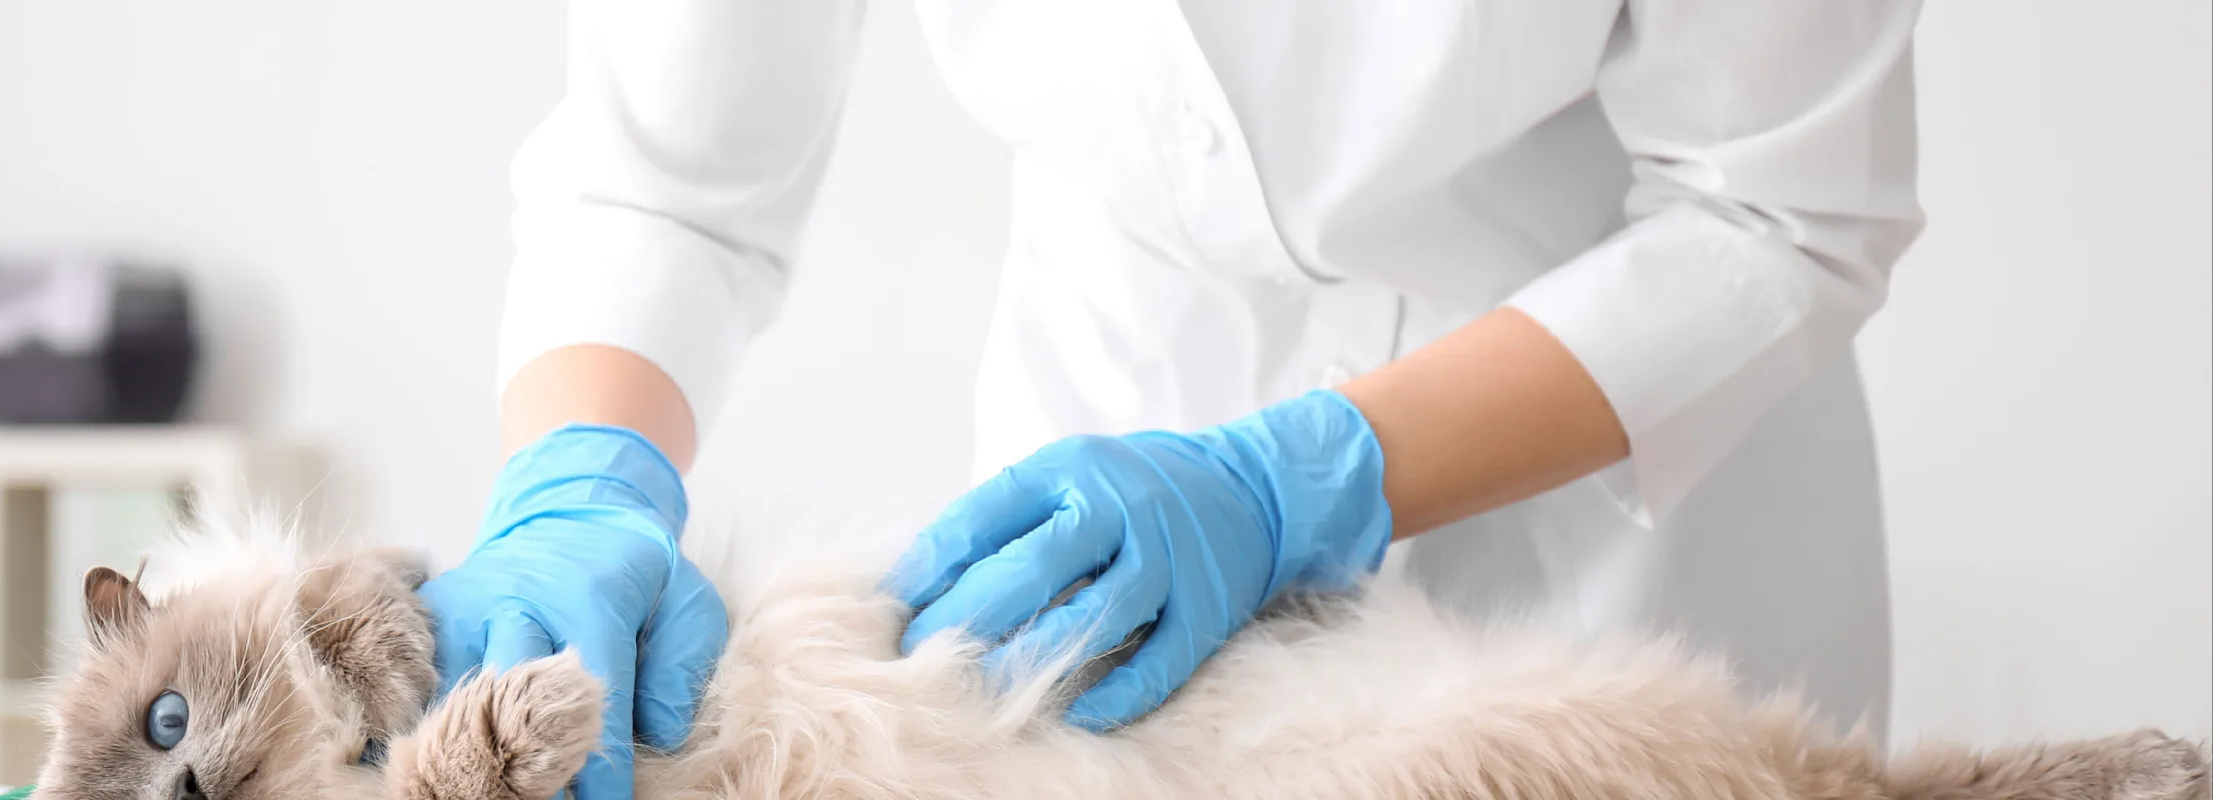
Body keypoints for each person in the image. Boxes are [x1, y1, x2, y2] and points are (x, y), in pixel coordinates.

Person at [417, 3, 1925, 797]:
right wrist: (582, 475)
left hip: (1614, 509)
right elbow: (665, 178)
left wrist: (1304, 482)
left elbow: (1781, 210)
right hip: (1104, 473)